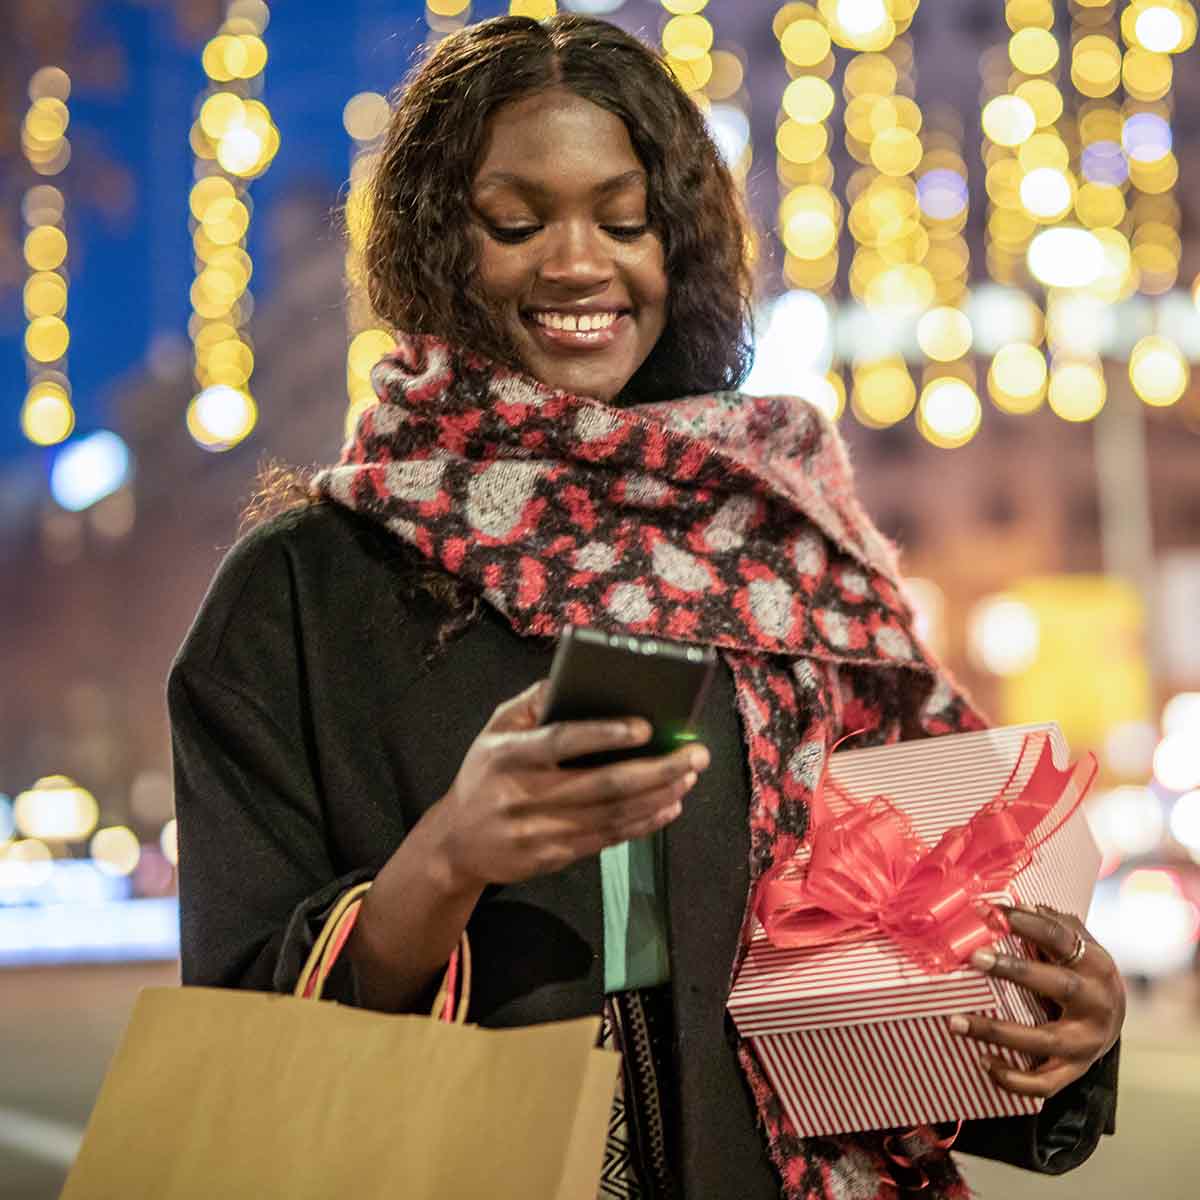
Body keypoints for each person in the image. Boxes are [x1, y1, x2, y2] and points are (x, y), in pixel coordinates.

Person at [169, 14, 1124, 1199]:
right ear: (433, 249)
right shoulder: (302, 591)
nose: (580, 263)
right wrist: (446, 863)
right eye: (516, 222)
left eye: (626, 222)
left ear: (680, 244)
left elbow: (909, 956)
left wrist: (1057, 1023)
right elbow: (242, 1047)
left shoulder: (777, 551)